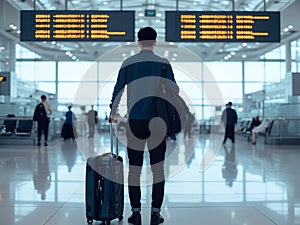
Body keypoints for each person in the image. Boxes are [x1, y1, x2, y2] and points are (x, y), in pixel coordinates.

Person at [109, 27, 178, 225]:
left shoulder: (128, 62)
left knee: (135, 169)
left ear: (139, 42)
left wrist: (113, 111)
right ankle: (156, 213)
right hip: (158, 122)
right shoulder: (163, 63)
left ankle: (136, 212)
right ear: (154, 42)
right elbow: (174, 89)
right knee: (158, 168)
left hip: (135, 122)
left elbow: (118, 89)